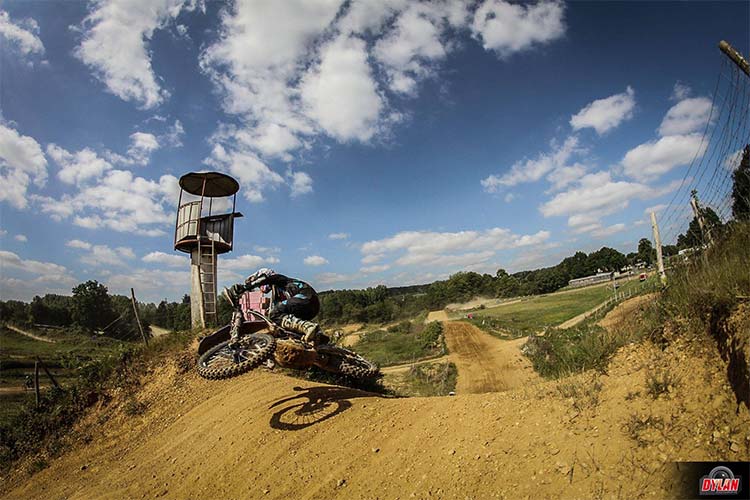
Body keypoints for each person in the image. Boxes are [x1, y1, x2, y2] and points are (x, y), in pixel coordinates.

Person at [225, 268, 324, 344]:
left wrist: (244, 287)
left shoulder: (278, 279)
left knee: (274, 313)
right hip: (310, 308)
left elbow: (265, 279)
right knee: (280, 320)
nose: (260, 288)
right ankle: (316, 337)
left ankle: (309, 327)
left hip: (306, 297)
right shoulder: (278, 294)